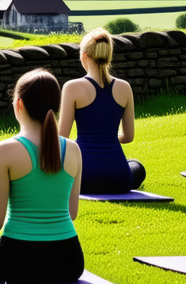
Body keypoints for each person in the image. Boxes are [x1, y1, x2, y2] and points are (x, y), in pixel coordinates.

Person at [0, 69, 84, 284]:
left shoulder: (5, 150)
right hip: (69, 263)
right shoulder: (73, 149)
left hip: (16, 264)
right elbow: (71, 213)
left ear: (19, 104)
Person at [59, 28, 145, 193]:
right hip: (119, 178)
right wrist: (105, 138)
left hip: (83, 177)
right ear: (108, 55)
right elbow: (128, 137)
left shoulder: (72, 87)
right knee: (136, 166)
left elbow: (61, 138)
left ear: (84, 55)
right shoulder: (124, 88)